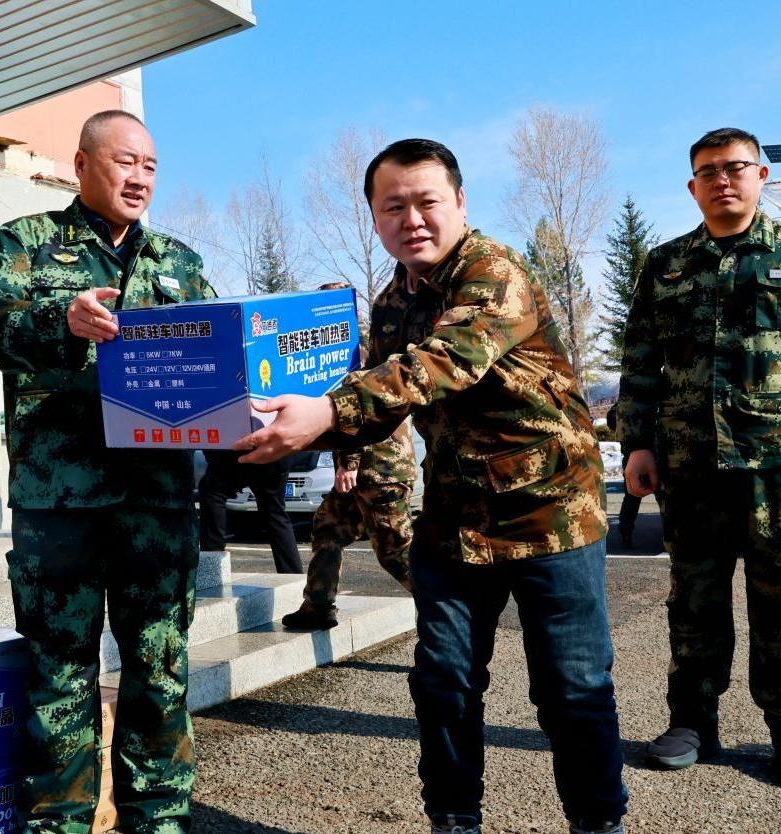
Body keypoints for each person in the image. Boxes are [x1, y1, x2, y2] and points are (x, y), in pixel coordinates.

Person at [236, 139, 627, 834]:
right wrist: (274, 424)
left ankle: (598, 824)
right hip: (454, 519)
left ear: (460, 202)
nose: (412, 219)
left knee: (572, 688)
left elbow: (447, 361)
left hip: (551, 514)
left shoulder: (493, 271)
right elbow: (380, 405)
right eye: (393, 207)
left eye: (427, 202)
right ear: (375, 218)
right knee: (443, 681)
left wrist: (327, 412)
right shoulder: (393, 303)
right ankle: (453, 820)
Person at [0, 109, 214, 834]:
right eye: (124, 161)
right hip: (59, 502)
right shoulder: (29, 242)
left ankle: (157, 821)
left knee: (159, 670)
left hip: (157, 502)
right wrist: (58, 321)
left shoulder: (180, 261)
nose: (139, 178)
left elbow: (214, 361)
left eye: (150, 166)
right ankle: (60, 824)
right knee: (60, 674)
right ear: (81, 165)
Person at [618, 127, 781, 788]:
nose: (723, 179)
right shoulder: (666, 264)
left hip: (780, 464)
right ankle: (692, 721)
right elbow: (640, 359)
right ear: (692, 186)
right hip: (690, 463)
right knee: (694, 601)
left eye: (736, 167)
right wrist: (637, 442)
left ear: (761, 176)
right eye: (709, 171)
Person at [282, 282, 415, 630]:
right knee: (329, 528)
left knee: (395, 550)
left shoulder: (353, 354)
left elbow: (355, 412)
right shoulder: (342, 348)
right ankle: (318, 605)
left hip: (380, 466)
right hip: (370, 465)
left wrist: (348, 463)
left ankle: (449, 610)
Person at [196, 449, 302, 573]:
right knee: (275, 513)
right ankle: (293, 573)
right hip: (273, 455)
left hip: (235, 453)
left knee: (212, 493)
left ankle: (212, 567)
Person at [605, 402, 643, 548]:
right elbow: (612, 418)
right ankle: (625, 532)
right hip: (634, 455)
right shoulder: (633, 397)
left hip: (662, 456)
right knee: (632, 496)